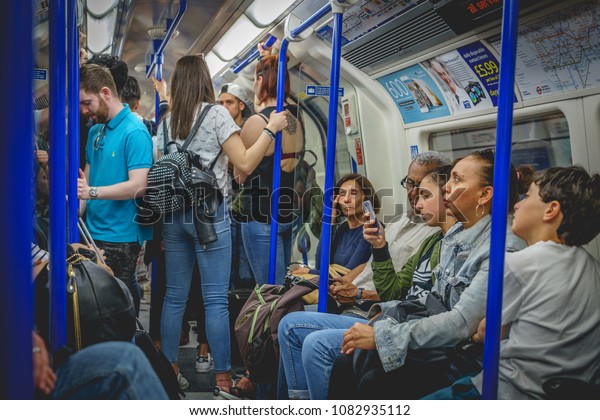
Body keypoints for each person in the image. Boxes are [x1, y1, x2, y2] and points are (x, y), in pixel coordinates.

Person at [328, 148, 526, 400]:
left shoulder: (501, 248)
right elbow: (432, 299)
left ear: (484, 195)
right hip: (442, 344)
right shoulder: (453, 237)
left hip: (463, 359)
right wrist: (384, 316)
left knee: (373, 381)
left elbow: (461, 322)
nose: (447, 188)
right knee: (347, 365)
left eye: (457, 180)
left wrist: (385, 335)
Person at [156, 54, 288, 394]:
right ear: (204, 81)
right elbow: (244, 161)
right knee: (215, 299)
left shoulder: (167, 120)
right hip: (209, 215)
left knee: (174, 297)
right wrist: (271, 130)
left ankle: (170, 370)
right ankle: (223, 379)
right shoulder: (215, 114)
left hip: (173, 213)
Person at [276, 154, 452, 399]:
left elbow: (397, 292)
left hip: (375, 309)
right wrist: (377, 247)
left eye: (424, 191)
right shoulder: (400, 225)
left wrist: (358, 291)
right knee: (281, 316)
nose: (414, 194)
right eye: (411, 185)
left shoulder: (435, 238)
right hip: (367, 304)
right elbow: (386, 280)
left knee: (293, 325)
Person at [424, 166, 600, 399]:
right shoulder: (592, 266)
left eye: (527, 197)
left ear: (551, 210)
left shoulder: (520, 263)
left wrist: (477, 335)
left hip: (512, 390)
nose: (517, 205)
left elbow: (488, 331)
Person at [77, 64, 153, 316]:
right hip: (91, 231)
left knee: (112, 311)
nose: (84, 111)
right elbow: (87, 180)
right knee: (94, 304)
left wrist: (92, 193)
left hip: (120, 236)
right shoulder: (96, 131)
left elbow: (139, 185)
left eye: (87, 102)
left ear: (106, 93)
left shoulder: (135, 131)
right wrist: (78, 206)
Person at [236, 50, 304, 285]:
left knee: (268, 292)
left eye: (256, 78)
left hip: (260, 216)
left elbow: (240, 175)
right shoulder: (295, 117)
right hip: (287, 213)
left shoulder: (258, 122)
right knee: (281, 287)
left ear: (261, 81)